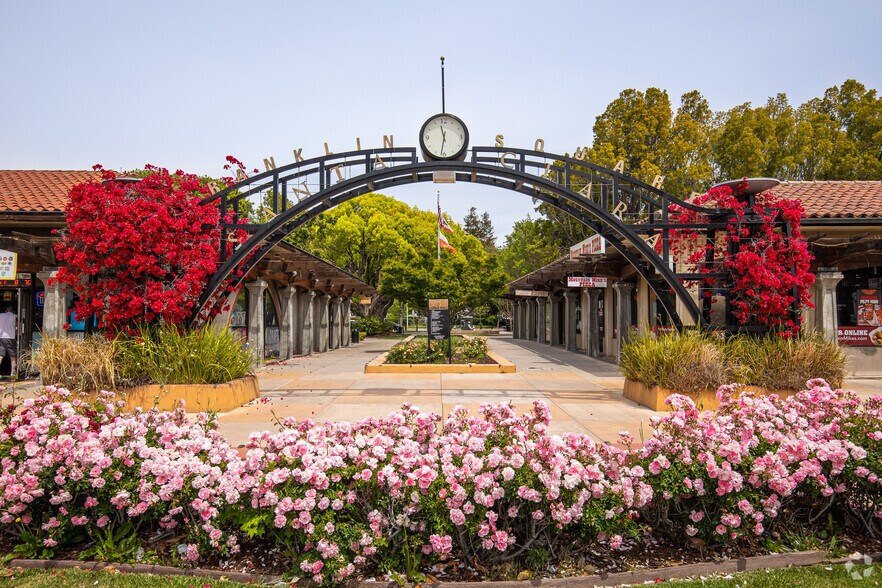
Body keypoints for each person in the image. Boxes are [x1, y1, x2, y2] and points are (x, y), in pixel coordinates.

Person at [0, 305, 17, 378]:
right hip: (11, 337)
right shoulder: (15, 316)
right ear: (12, 310)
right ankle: (13, 372)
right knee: (13, 355)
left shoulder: (0, 315)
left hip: (1, 336)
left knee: (0, 355)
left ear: (6, 310)